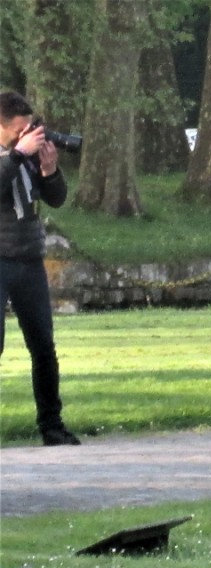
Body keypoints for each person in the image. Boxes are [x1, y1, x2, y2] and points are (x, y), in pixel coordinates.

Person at [0, 91, 79, 446]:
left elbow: (56, 198)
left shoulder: (27, 157)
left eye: (28, 129)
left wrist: (49, 170)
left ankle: (52, 426)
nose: (26, 136)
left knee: (44, 347)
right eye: (19, 130)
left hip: (29, 260)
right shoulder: (17, 154)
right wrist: (18, 154)